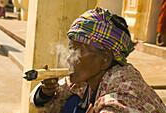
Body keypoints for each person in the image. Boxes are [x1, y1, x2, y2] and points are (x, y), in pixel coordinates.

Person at [30, 7, 166, 113]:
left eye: (78, 50)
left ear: (105, 58)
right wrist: (46, 93)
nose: (69, 58)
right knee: (73, 101)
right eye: (70, 48)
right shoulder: (87, 81)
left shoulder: (124, 91)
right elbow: (43, 98)